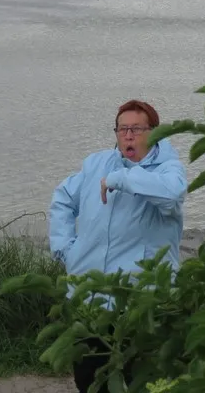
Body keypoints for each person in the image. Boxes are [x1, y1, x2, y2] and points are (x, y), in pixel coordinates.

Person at [48, 99, 187, 393]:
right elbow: (63, 199)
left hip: (142, 300)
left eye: (137, 129)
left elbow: (172, 195)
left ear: (154, 133)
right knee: (89, 380)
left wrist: (120, 178)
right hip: (91, 296)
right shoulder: (96, 164)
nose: (128, 136)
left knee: (145, 382)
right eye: (122, 129)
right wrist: (65, 249)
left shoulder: (168, 170)